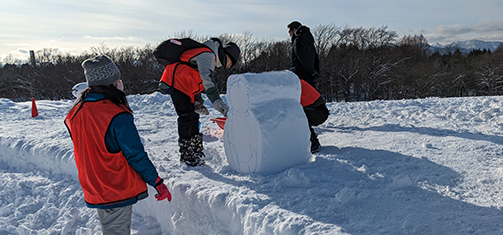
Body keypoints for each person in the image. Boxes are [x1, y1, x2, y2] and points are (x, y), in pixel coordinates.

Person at [65, 55, 171, 235]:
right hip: (114, 185)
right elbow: (135, 154)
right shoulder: (116, 114)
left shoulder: (75, 112)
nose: (121, 84)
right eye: (118, 80)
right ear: (111, 84)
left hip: (93, 183)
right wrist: (157, 182)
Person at [158, 38, 240, 167]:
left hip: (186, 86)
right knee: (186, 116)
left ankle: (195, 150)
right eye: (232, 62)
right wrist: (218, 103)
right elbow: (207, 81)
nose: (229, 66)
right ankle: (187, 155)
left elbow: (196, 79)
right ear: (226, 56)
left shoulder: (209, 58)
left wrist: (197, 102)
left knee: (194, 116)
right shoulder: (207, 55)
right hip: (177, 82)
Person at [288, 21, 320, 88]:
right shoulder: (309, 40)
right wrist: (315, 72)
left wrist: (311, 71)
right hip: (310, 77)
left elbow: (302, 58)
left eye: (289, 31)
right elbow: (316, 57)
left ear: (294, 30)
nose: (289, 34)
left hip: (299, 76)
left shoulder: (297, 40)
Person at [300, 79, 329, 153]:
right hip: (317, 111)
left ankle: (313, 143)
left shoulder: (295, 85)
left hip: (319, 112)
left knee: (298, 116)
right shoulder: (295, 82)